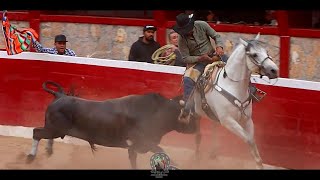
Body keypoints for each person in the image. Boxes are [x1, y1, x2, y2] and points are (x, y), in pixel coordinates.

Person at [173, 13, 228, 122]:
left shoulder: (202, 25)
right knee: (188, 79)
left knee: (233, 64)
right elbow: (185, 58)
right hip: (198, 63)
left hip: (214, 55)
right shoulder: (181, 39)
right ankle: (189, 108)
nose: (187, 32)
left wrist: (219, 46)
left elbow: (216, 36)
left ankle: (251, 88)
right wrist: (200, 58)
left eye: (187, 29)